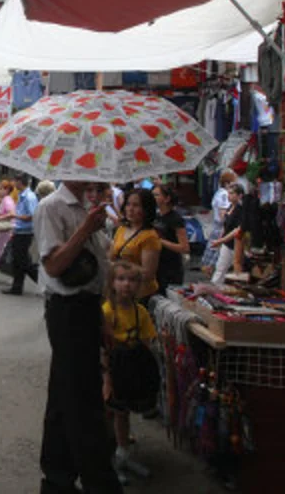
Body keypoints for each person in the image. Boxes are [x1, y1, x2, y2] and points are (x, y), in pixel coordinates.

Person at [35, 180, 124, 494]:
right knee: (83, 400)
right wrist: (85, 229)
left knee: (63, 395)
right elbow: (55, 265)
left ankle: (57, 476)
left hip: (87, 308)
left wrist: (102, 319)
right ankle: (99, 480)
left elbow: (95, 273)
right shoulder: (51, 208)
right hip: (67, 311)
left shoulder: (90, 208)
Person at [102, 261, 159, 483]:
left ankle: (122, 452)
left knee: (123, 412)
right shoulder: (107, 312)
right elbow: (103, 349)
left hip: (130, 370)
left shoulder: (140, 312)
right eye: (121, 279)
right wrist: (106, 379)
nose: (127, 285)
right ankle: (108, 455)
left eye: (133, 280)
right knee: (109, 412)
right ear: (112, 283)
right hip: (112, 369)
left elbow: (146, 341)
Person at [109, 188, 162, 302]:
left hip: (140, 295)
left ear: (146, 209)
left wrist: (122, 268)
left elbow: (148, 273)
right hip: (121, 292)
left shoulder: (149, 236)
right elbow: (112, 255)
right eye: (128, 204)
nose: (130, 209)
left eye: (136, 205)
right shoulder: (122, 229)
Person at [3, 176, 41, 296]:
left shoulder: (29, 197)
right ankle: (17, 287)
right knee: (19, 261)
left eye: (15, 181)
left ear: (20, 182)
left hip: (25, 232)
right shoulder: (23, 195)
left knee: (23, 261)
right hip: (19, 231)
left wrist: (16, 216)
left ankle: (42, 281)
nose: (14, 184)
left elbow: (31, 215)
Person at [152, 184, 189, 294]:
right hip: (158, 265)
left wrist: (160, 241)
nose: (153, 197)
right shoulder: (156, 216)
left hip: (171, 268)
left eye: (156, 195)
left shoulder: (176, 219)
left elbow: (184, 248)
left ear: (167, 199)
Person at [201, 170, 238, 272]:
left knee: (214, 248)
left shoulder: (219, 193)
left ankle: (208, 267)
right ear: (227, 183)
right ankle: (210, 269)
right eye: (233, 182)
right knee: (217, 250)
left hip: (217, 225)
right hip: (221, 226)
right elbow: (223, 214)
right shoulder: (224, 195)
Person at [209, 184, 245, 285]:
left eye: (232, 193)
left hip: (236, 243)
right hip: (227, 243)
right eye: (228, 193)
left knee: (235, 268)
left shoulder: (240, 210)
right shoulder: (230, 207)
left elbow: (237, 230)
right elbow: (226, 226)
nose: (229, 195)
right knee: (221, 267)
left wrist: (221, 240)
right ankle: (215, 288)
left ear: (239, 195)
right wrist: (221, 239)